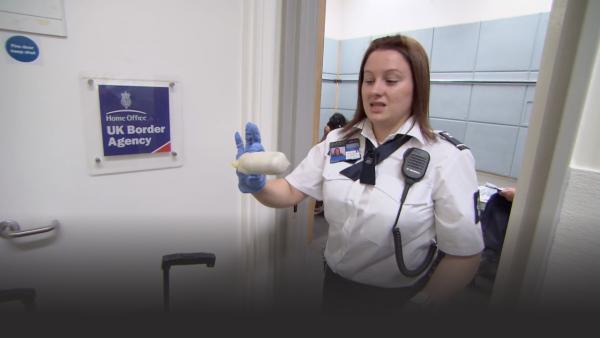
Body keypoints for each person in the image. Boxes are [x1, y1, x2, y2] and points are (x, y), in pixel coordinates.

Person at [234, 34, 484, 313]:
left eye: (391, 80)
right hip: (335, 287)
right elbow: (292, 191)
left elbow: (465, 254)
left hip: (400, 300)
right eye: (368, 80)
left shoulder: (446, 157)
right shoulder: (338, 141)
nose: (375, 90)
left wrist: (422, 305)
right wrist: (258, 185)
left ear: (417, 87)